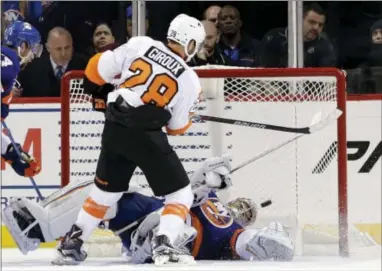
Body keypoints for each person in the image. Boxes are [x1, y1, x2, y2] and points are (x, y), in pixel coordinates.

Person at [52, 14, 206, 265]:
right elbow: (176, 128)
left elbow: (93, 70)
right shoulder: (189, 78)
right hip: (146, 136)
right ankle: (164, 245)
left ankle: (71, 244)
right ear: (190, 44)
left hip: (114, 127)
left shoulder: (141, 44)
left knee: (105, 192)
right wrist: (190, 117)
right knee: (181, 194)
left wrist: (110, 88)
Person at [2, 156, 294, 263]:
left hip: (172, 239)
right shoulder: (212, 198)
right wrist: (205, 176)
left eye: (248, 212)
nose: (242, 210)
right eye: (242, 204)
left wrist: (269, 239)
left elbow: (256, 245)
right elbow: (182, 192)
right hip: (151, 212)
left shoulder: (236, 232)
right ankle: (38, 228)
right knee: (110, 189)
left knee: (187, 230)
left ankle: (153, 245)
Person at [1, 20, 42, 178]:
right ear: (23, 47)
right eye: (34, 48)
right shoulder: (10, 59)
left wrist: (12, 152)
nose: (33, 56)